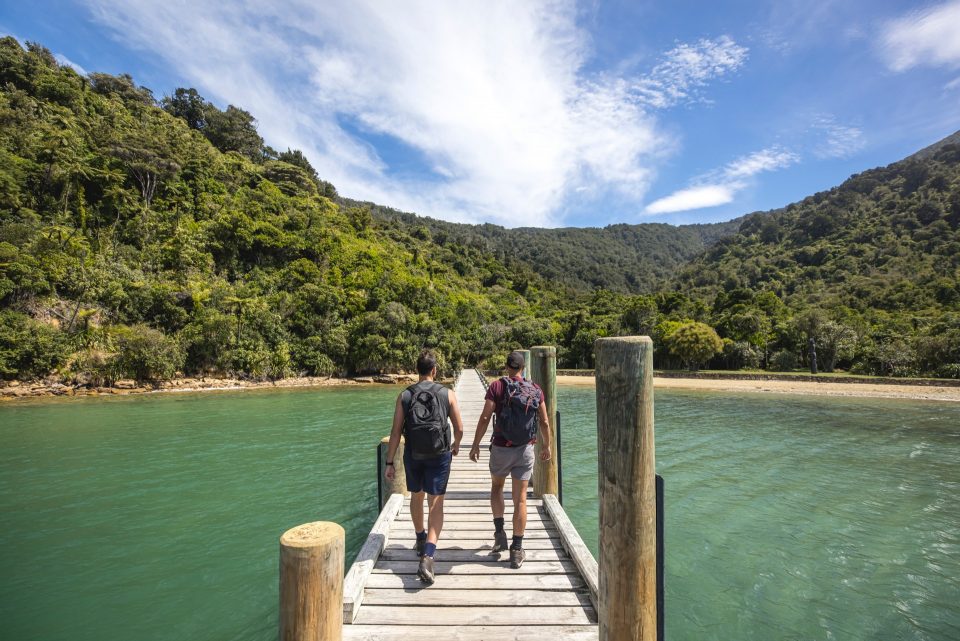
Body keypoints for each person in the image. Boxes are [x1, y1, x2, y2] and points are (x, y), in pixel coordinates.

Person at [385, 350, 463, 585]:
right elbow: (459, 428)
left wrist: (389, 462)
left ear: (417, 370)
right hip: (440, 455)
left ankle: (420, 538)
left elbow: (396, 432)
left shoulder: (405, 396)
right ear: (434, 370)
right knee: (436, 502)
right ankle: (428, 554)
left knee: (416, 497)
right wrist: (456, 445)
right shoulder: (447, 393)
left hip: (413, 455)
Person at [469, 351, 551, 569]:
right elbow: (543, 421)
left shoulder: (497, 386)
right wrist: (548, 445)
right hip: (525, 449)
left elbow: (486, 416)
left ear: (507, 367)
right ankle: (516, 549)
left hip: (501, 448)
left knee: (496, 488)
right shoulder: (535, 389)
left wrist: (476, 444)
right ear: (523, 368)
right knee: (521, 499)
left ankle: (499, 533)